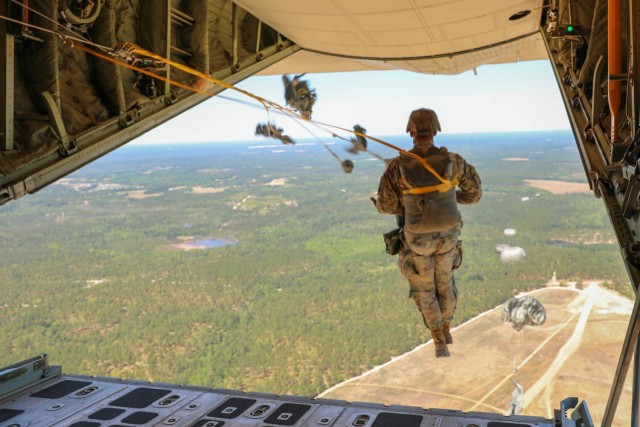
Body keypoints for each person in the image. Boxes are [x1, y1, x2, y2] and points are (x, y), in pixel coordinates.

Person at [373, 108, 482, 358]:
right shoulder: (454, 161)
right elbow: (473, 194)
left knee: (425, 290)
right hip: (448, 237)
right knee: (445, 284)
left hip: (418, 240)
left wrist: (406, 200)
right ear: (435, 130)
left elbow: (387, 205)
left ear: (411, 132)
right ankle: (447, 328)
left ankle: (438, 341)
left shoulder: (398, 166)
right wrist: (446, 195)